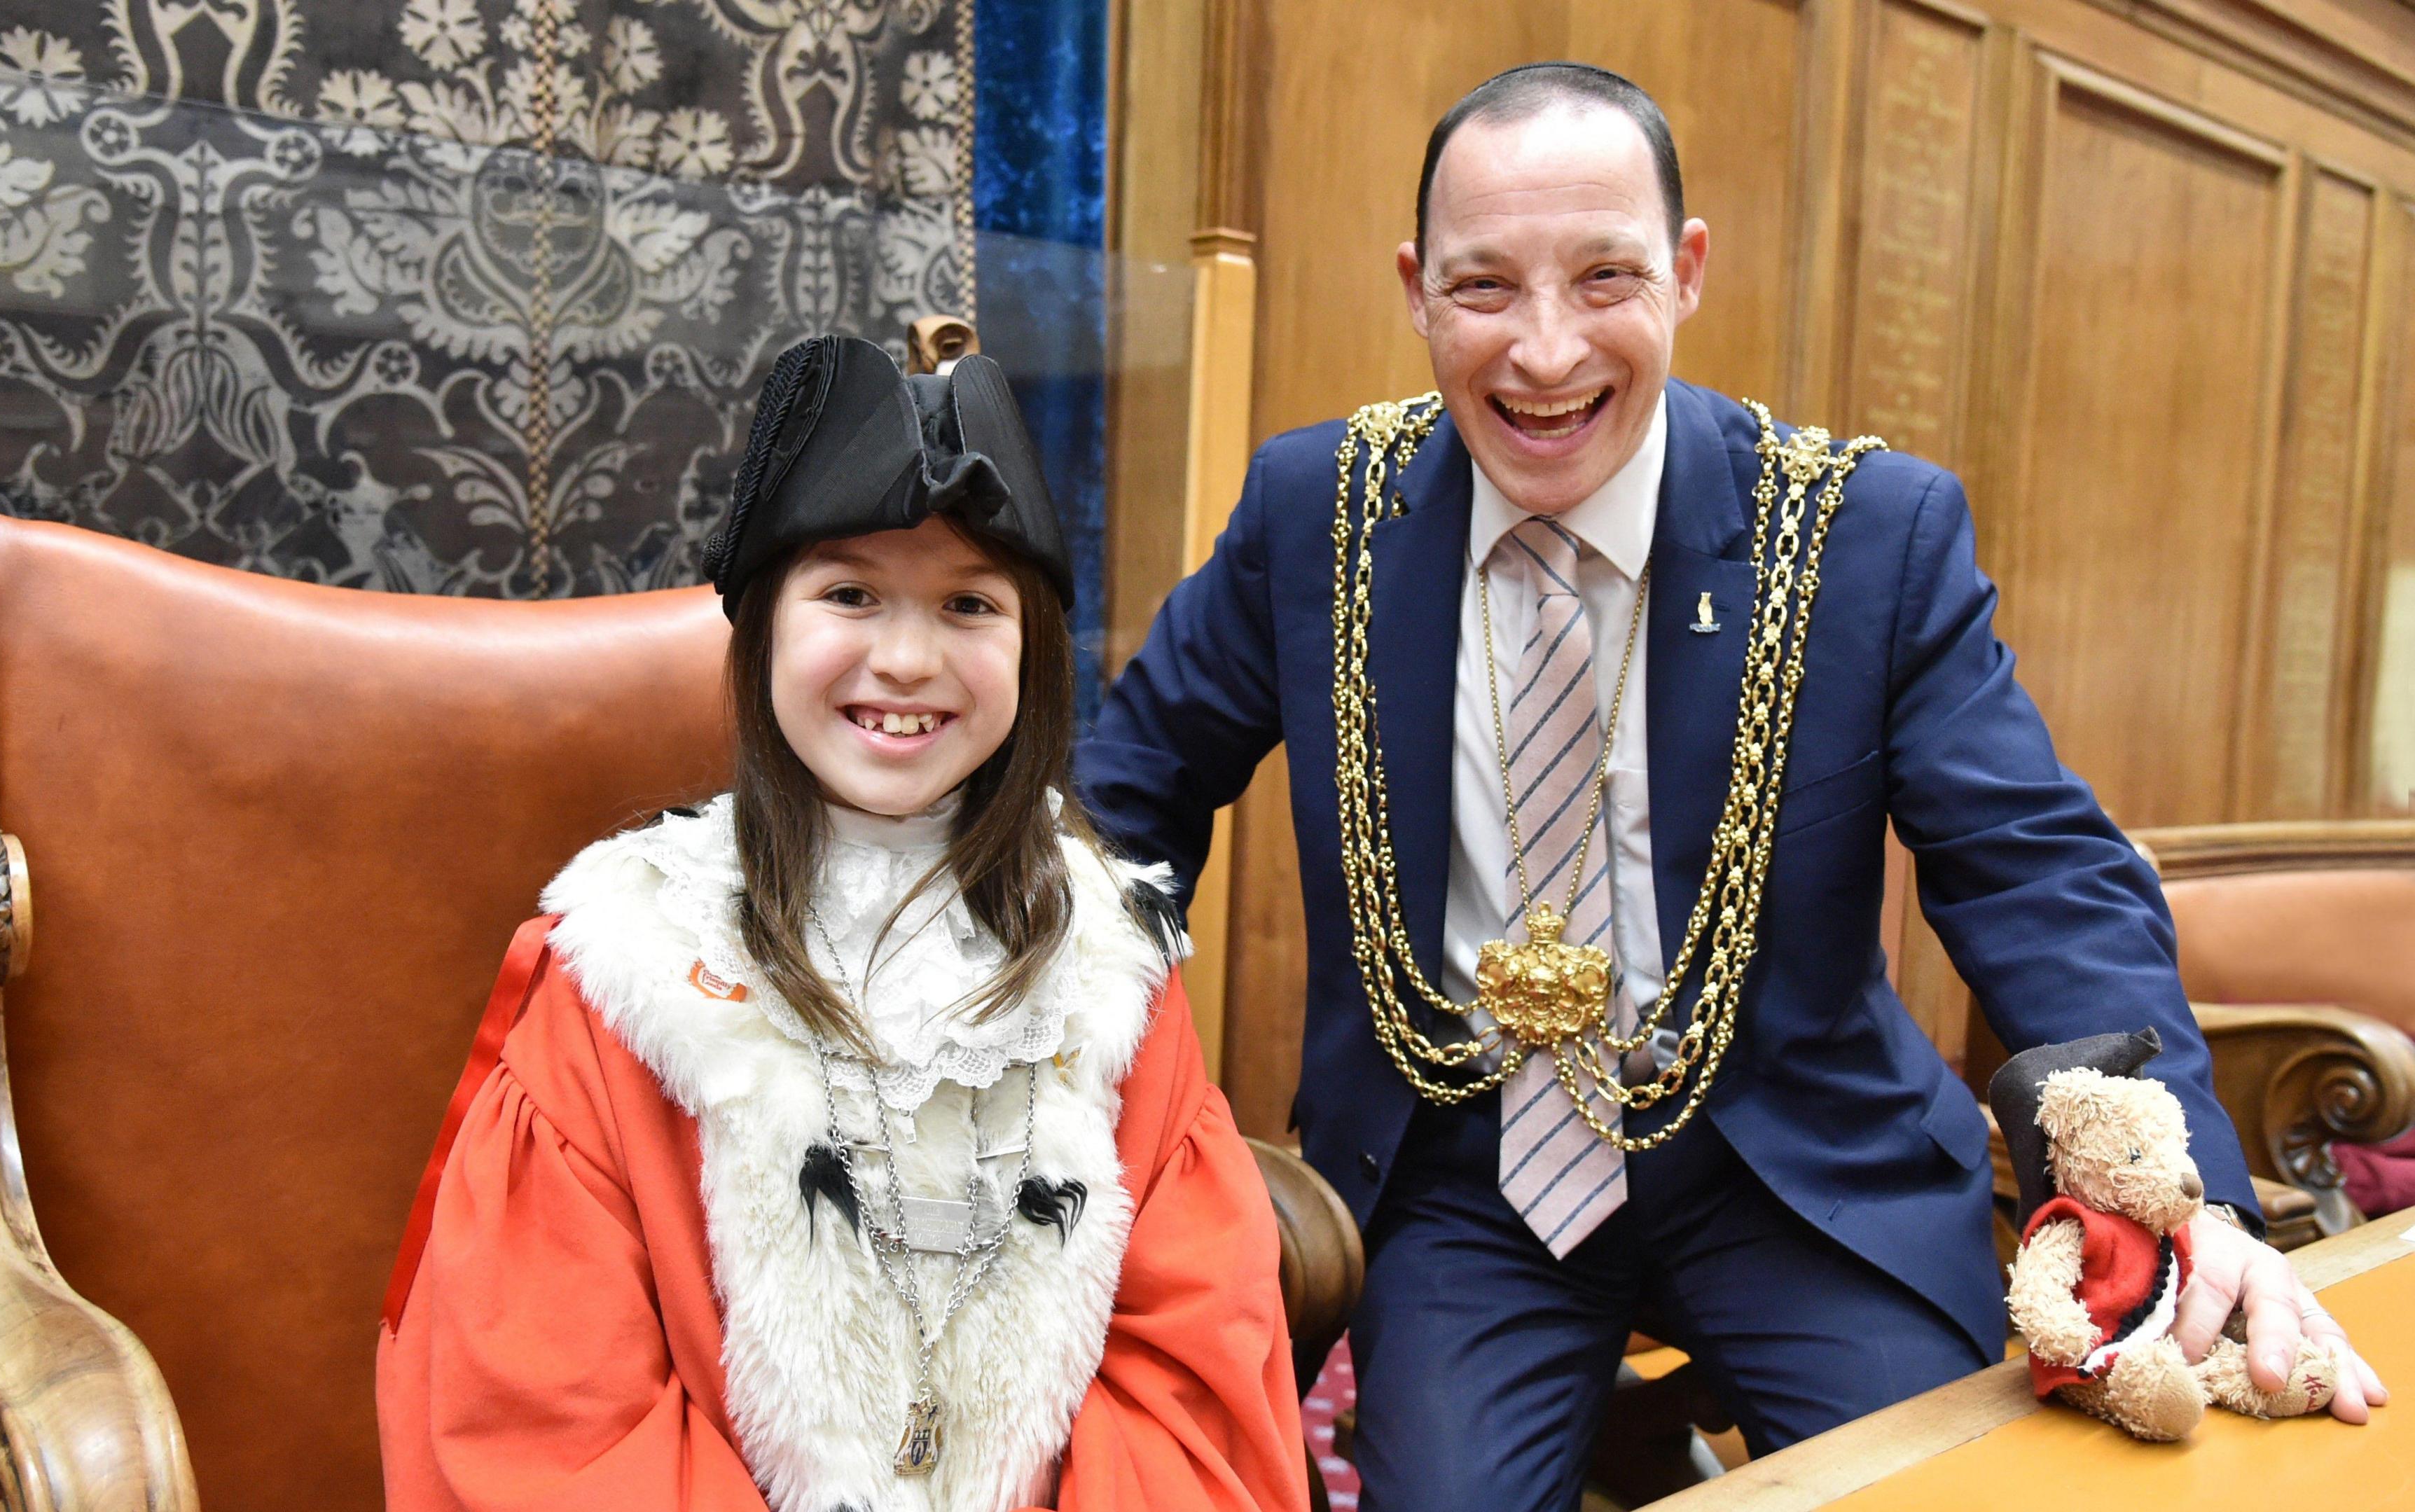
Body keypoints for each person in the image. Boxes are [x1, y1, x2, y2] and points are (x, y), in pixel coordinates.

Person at [1079, 62, 2385, 1509]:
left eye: (1605, 275)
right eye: (1486, 288)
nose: (1546, 350)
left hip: (1804, 1175)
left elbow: (2029, 865)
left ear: (1687, 273)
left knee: (1963, 1491)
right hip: (1466, 1190)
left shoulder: (1864, 535)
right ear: (1417, 292)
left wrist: (2172, 1189)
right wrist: (1044, 1072)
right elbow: (1126, 794)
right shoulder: (1315, 510)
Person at [378, 333, 1307, 1512]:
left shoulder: (1109, 973)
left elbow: (1195, 1383)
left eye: (970, 603)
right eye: (852, 594)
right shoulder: (626, 969)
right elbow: (543, 1418)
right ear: (764, 624)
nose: (908, 657)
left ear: (1034, 653)